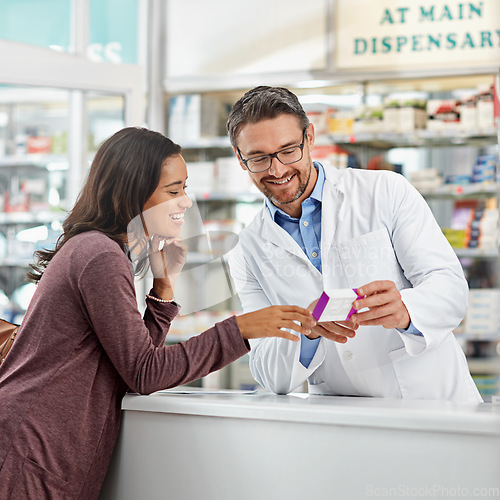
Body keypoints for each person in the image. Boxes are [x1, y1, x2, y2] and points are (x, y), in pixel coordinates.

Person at [0, 127, 315, 499]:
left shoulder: (99, 250)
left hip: (43, 447)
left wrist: (163, 289)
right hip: (31, 448)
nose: (185, 202)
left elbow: (130, 369)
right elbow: (146, 372)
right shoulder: (99, 254)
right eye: (173, 190)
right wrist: (240, 331)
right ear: (134, 192)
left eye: (185, 188)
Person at [226, 86, 482, 403]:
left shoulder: (385, 190)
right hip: (343, 416)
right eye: (259, 158)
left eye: (288, 150)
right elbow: (268, 372)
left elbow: (451, 287)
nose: (277, 170)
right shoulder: (247, 249)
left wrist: (406, 309)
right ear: (240, 158)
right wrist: (307, 332)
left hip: (431, 401)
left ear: (309, 138)